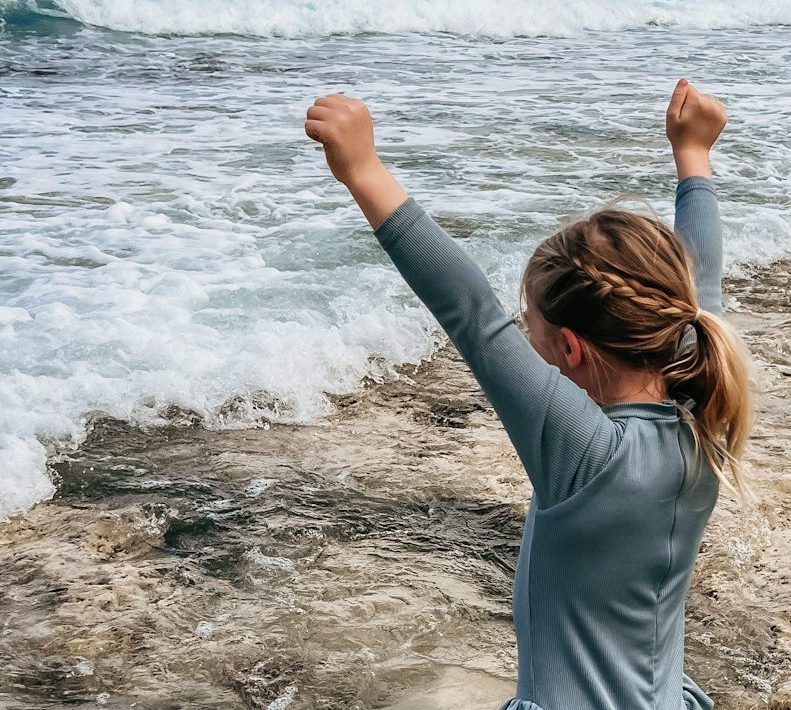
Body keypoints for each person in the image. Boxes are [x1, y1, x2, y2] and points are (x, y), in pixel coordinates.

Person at [303, 78, 752, 710]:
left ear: (570, 350)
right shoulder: (702, 409)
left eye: (532, 330)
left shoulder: (586, 453)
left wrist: (366, 173)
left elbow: (472, 317)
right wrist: (694, 155)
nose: (524, 341)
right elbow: (699, 286)